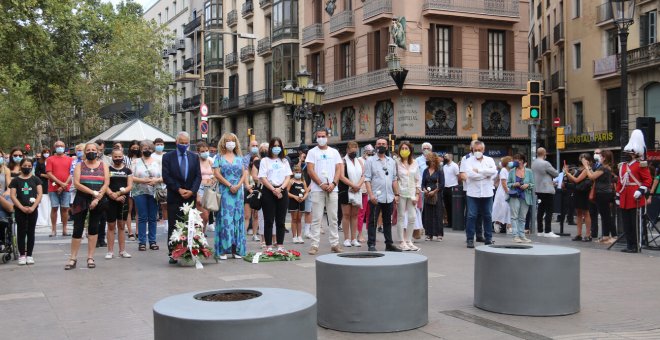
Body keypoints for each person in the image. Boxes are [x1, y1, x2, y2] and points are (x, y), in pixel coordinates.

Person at [65, 143, 110, 270]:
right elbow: (77, 183)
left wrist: (97, 198)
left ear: (97, 152)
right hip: (81, 198)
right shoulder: (79, 165)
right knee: (77, 228)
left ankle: (90, 257)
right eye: (88, 150)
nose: (91, 151)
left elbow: (106, 183)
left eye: (93, 150)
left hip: (98, 199)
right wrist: (92, 193)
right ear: (85, 152)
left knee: (94, 227)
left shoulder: (103, 165)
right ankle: (73, 258)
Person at [162, 132, 201, 264]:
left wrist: (192, 191)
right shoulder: (167, 157)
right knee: (174, 225)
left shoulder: (194, 157)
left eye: (186, 143)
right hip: (175, 195)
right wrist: (178, 189)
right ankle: (173, 252)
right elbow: (166, 176)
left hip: (190, 197)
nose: (184, 145)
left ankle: (190, 249)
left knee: (189, 224)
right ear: (176, 142)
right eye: (181, 142)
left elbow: (198, 177)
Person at [306, 129, 344, 255]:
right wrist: (321, 184)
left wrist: (333, 183)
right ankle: (314, 245)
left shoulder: (334, 152)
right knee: (316, 218)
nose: (321, 138)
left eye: (323, 136)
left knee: (333, 218)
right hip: (317, 189)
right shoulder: (312, 152)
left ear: (327, 137)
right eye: (318, 136)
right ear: (316, 138)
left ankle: (335, 244)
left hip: (333, 189)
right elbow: (310, 170)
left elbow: (339, 168)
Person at [616, 130, 652, 253]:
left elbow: (648, 180)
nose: (626, 154)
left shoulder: (641, 164)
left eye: (629, 153)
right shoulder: (622, 166)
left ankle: (636, 245)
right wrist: (617, 196)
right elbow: (620, 182)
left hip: (635, 197)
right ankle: (629, 244)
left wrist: (641, 191)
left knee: (635, 224)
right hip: (625, 197)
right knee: (627, 224)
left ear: (635, 153)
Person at [213, 133, 247, 259]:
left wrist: (238, 185)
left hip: (238, 192)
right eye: (227, 141)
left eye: (232, 141)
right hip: (225, 192)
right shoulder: (219, 157)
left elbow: (244, 173)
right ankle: (222, 250)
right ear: (223, 142)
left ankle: (236, 249)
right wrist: (229, 185)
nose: (230, 143)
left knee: (237, 219)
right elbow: (217, 174)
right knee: (225, 219)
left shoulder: (239, 157)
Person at [364, 138, 401, 252]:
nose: (381, 146)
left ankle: (389, 244)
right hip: (376, 197)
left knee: (387, 222)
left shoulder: (391, 161)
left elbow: (394, 179)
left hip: (389, 196)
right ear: (375, 146)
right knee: (373, 221)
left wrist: (396, 194)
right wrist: (371, 195)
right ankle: (371, 244)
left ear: (387, 146)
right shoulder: (370, 161)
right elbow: (367, 179)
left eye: (383, 144)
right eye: (379, 144)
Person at [258, 137, 292, 252]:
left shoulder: (285, 161)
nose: (276, 148)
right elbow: (262, 177)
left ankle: (280, 244)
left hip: (282, 190)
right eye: (274, 146)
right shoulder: (265, 161)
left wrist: (281, 189)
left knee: (281, 220)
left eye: (279, 146)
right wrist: (273, 189)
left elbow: (288, 176)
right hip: (269, 191)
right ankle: (268, 245)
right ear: (270, 147)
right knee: (268, 220)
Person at [462, 140, 497, 248]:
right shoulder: (468, 161)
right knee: (471, 216)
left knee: (488, 215)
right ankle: (470, 239)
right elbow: (470, 174)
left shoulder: (490, 160)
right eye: (475, 150)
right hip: (473, 192)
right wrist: (485, 174)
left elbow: (494, 172)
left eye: (479, 150)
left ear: (483, 150)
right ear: (472, 149)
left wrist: (479, 171)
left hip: (487, 192)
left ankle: (488, 238)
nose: (477, 151)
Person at [9, 158, 43, 265]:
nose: (27, 168)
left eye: (29, 166)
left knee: (31, 232)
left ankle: (29, 255)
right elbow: (13, 196)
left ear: (32, 167)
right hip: (20, 210)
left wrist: (33, 207)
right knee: (21, 232)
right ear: (20, 166)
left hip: (33, 209)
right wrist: (21, 207)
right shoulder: (15, 180)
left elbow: (39, 194)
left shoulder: (36, 179)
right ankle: (22, 255)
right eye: (25, 166)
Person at [131, 140, 163, 252]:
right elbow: (131, 177)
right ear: (141, 149)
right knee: (142, 217)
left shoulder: (158, 161)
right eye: (144, 148)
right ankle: (142, 242)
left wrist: (156, 180)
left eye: (149, 148)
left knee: (153, 217)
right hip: (139, 192)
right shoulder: (135, 161)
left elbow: (164, 177)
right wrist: (142, 180)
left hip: (154, 191)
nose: (147, 150)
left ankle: (153, 241)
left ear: (152, 149)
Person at [105, 149, 133, 259]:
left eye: (119, 156)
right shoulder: (107, 169)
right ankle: (110, 251)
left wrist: (120, 193)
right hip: (110, 200)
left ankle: (122, 251)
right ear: (112, 157)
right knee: (111, 226)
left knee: (121, 226)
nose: (118, 158)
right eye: (115, 156)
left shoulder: (128, 170)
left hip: (123, 200)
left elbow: (130, 186)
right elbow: (105, 184)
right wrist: (112, 195)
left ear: (123, 156)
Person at [585, 150, 617, 244]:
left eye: (601, 156)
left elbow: (591, 177)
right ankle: (606, 236)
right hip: (604, 194)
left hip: (603, 194)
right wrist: (589, 168)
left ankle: (611, 236)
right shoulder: (606, 168)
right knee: (605, 215)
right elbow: (593, 175)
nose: (600, 158)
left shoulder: (604, 168)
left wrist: (586, 167)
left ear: (605, 158)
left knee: (606, 216)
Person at [395, 141, 421, 251]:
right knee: (401, 216)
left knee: (412, 217)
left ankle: (409, 240)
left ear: (410, 150)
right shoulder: (396, 162)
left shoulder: (414, 163)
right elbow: (394, 178)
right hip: (401, 193)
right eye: (402, 148)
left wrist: (417, 194)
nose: (404, 150)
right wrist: (395, 193)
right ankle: (402, 241)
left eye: (406, 148)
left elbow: (418, 179)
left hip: (412, 194)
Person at [339, 141, 365, 248]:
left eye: (355, 149)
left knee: (355, 215)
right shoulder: (342, 161)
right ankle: (346, 239)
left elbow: (364, 175)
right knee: (346, 215)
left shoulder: (360, 161)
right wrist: (352, 185)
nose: (353, 151)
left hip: (357, 190)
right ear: (347, 150)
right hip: (346, 190)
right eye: (351, 149)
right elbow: (341, 176)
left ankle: (354, 238)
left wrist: (358, 186)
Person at [564, 153, 594, 242]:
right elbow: (572, 179)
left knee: (586, 212)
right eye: (581, 157)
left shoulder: (586, 169)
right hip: (577, 192)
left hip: (584, 192)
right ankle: (579, 234)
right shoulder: (579, 168)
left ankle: (588, 234)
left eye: (583, 158)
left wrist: (567, 173)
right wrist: (568, 173)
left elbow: (577, 180)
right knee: (579, 213)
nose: (581, 159)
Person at [46, 141, 73, 238]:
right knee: (54, 208)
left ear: (65, 147)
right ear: (54, 147)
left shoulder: (70, 159)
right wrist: (60, 184)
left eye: (61, 146)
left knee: (65, 208)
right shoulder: (50, 159)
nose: (60, 147)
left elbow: (72, 173)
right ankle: (53, 229)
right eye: (57, 146)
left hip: (66, 187)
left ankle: (65, 229)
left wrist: (64, 185)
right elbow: (49, 173)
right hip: (53, 188)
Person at [532, 147, 560, 238]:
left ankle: (540, 230)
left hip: (538, 189)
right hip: (547, 189)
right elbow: (555, 173)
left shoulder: (534, 163)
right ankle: (548, 231)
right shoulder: (545, 163)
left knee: (540, 210)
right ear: (544, 154)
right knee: (549, 210)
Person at [506, 154, 534, 243]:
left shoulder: (529, 171)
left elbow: (533, 184)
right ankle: (515, 236)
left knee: (522, 217)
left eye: (518, 159)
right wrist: (514, 184)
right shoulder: (512, 171)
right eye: (515, 159)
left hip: (525, 196)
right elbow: (508, 184)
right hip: (515, 195)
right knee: (514, 216)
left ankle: (522, 235)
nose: (516, 161)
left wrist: (527, 185)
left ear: (522, 161)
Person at [422, 152, 445, 241]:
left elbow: (442, 184)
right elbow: (422, 183)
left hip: (437, 195)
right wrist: (424, 190)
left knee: (438, 214)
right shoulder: (425, 170)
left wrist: (434, 191)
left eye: (431, 159)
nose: (429, 161)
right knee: (428, 215)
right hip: (427, 195)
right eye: (428, 159)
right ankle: (429, 234)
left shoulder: (439, 171)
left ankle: (439, 234)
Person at [356, 145, 374, 243]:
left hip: (372, 189)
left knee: (370, 213)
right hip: (363, 189)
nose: (369, 154)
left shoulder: (374, 160)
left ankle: (370, 234)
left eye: (371, 152)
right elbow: (363, 174)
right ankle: (360, 233)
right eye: (367, 152)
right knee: (361, 213)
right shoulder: (359, 160)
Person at [195, 141, 215, 233]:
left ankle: (202, 234)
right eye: (202, 151)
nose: (205, 153)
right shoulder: (196, 161)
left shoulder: (210, 161)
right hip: (200, 188)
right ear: (198, 152)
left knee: (207, 217)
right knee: (203, 215)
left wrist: (213, 179)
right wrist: (197, 193)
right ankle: (199, 234)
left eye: (206, 150)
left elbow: (215, 174)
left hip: (210, 188)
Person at [287, 164, 308, 244]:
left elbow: (306, 191)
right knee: (294, 219)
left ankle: (299, 236)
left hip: (301, 201)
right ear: (293, 172)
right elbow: (287, 192)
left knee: (299, 219)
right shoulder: (291, 181)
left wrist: (304, 198)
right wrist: (294, 197)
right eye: (296, 172)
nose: (298, 173)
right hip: (293, 202)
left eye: (299, 172)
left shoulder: (303, 181)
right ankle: (294, 236)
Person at [492, 156, 512, 234]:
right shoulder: (503, 170)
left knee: (509, 209)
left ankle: (509, 226)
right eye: (510, 161)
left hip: (509, 192)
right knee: (502, 209)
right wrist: (508, 192)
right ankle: (497, 223)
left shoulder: (511, 170)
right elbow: (504, 183)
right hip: (503, 193)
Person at [442, 153, 460, 228]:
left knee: (453, 206)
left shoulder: (455, 166)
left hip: (453, 187)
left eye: (446, 156)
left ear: (450, 157)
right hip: (445, 188)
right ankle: (449, 222)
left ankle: (454, 222)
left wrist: (457, 186)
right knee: (447, 206)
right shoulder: (444, 167)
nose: (444, 158)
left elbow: (458, 176)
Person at [0, 150, 13, 252]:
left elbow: (9, 185)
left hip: (3, 196)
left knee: (5, 213)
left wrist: (8, 191)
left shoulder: (6, 170)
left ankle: (3, 241)